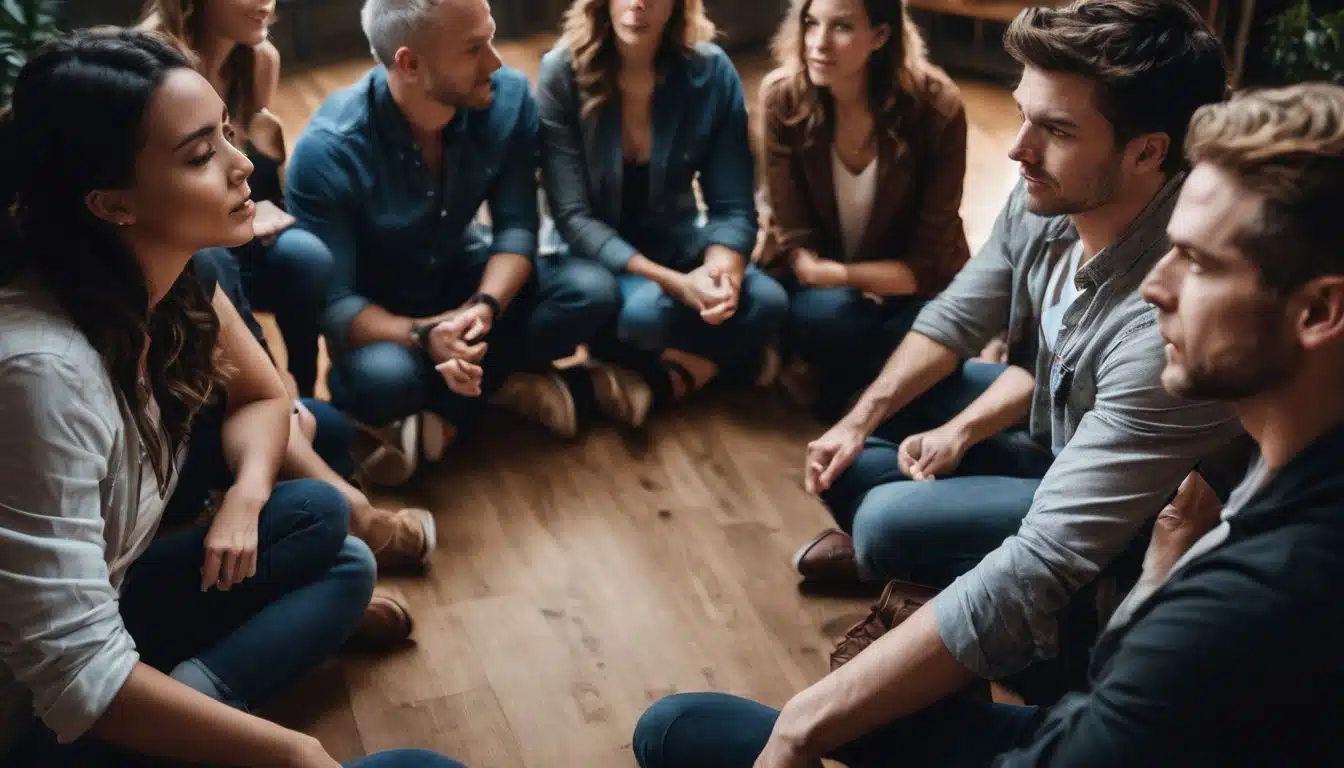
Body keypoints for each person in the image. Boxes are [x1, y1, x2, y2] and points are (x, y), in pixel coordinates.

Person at [632, 80, 1344, 768]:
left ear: (1317, 312)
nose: (1157, 284)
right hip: (1097, 694)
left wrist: (801, 730)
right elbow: (968, 320)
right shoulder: (1282, 488)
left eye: (1197, 263)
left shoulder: (1250, 597)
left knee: (684, 729)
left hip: (1079, 716)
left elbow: (1052, 591)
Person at [0, 29, 461, 768]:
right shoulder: (39, 372)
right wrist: (291, 754)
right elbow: (72, 675)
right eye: (200, 154)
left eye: (225, 133)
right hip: (33, 715)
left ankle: (190, 698)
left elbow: (264, 395)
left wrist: (246, 499)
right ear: (112, 202)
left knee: (323, 528)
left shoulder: (169, 267)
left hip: (102, 621)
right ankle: (194, 710)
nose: (243, 165)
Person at [777, 0, 1240, 726]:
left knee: (885, 519)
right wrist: (858, 419)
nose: (1018, 148)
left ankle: (936, 588)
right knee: (858, 454)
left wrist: (813, 718)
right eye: (1025, 114)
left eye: (1055, 130)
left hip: (1120, 519)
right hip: (1053, 426)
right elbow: (962, 314)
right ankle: (929, 565)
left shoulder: (1170, 309)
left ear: (1147, 151)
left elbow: (1049, 552)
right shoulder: (1048, 196)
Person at [287, 0, 619, 484]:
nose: (496, 61)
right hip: (385, 321)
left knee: (592, 291)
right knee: (384, 382)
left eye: (491, 37)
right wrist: (423, 334)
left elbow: (517, 230)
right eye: (473, 49)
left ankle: (452, 411)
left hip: (468, 281)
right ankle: (503, 382)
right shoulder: (327, 152)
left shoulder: (505, 98)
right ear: (410, 64)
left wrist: (484, 307)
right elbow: (336, 306)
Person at [537, 0, 788, 427]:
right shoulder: (562, 71)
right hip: (593, 258)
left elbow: (731, 205)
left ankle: (664, 373)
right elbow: (574, 219)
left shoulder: (710, 72)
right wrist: (675, 284)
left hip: (676, 241)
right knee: (642, 316)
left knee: (770, 302)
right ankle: (722, 363)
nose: (639, 4)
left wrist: (720, 271)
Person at [757, 0, 971, 419]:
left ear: (880, 36)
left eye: (841, 27)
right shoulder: (783, 98)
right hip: (822, 294)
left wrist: (844, 275)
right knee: (831, 317)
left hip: (909, 287)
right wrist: (829, 279)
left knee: (947, 330)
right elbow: (795, 242)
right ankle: (875, 388)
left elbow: (928, 261)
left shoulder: (938, 108)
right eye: (810, 23)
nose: (818, 43)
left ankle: (833, 382)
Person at [191, 247, 438, 572]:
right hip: (163, 481)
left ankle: (326, 520)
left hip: (211, 426)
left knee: (329, 429)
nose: (243, 191)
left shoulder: (204, 263)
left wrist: (249, 492)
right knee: (337, 534)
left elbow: (259, 390)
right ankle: (348, 526)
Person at [140, 0, 334, 399]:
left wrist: (256, 204)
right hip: (178, 243)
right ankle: (266, 399)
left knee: (309, 258)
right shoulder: (152, 62)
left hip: (236, 220)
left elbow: (251, 158)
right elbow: (155, 193)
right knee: (218, 264)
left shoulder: (260, 59)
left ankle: (306, 394)